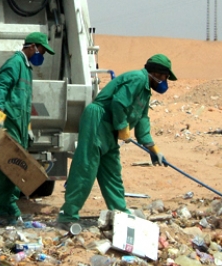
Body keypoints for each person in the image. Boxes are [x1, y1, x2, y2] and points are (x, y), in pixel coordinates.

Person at [57, 54, 177, 225]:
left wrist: (153, 148)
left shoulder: (145, 91)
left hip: (110, 129)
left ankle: (120, 211)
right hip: (98, 121)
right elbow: (119, 103)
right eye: (166, 77)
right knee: (86, 168)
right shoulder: (137, 79)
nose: (166, 81)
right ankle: (68, 214)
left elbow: (142, 119)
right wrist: (122, 126)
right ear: (158, 73)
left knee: (112, 171)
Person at [0, 32, 55, 225]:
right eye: (41, 50)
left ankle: (9, 207)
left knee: (16, 168)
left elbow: (24, 102)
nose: (42, 55)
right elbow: (0, 88)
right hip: (9, 124)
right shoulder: (14, 63)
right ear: (31, 47)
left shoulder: (27, 69)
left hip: (20, 126)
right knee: (6, 167)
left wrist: (29, 126)